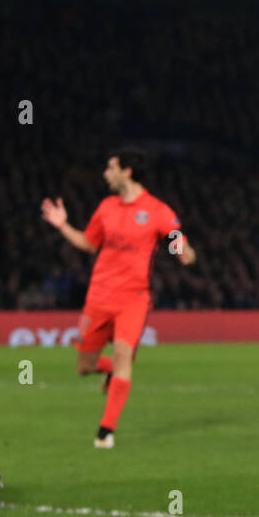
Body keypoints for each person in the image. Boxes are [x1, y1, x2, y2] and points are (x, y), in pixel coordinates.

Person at [40, 149, 197, 448]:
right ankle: (112, 372)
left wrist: (183, 251)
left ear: (127, 172)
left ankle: (105, 432)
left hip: (134, 298)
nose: (105, 173)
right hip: (99, 296)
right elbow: (88, 244)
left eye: (110, 167)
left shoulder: (156, 210)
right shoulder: (106, 207)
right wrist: (62, 225)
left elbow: (175, 238)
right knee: (84, 366)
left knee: (124, 355)